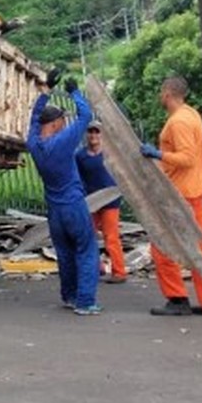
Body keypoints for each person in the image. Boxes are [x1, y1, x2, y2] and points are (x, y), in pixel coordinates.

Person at [140, 75, 202, 317]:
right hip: (194, 191)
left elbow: (187, 158)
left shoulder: (178, 122)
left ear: (167, 94)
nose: (160, 97)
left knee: (162, 245)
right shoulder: (191, 114)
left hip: (180, 195)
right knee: (201, 248)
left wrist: (157, 154)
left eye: (161, 93)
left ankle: (177, 299)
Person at [27, 72, 101, 315]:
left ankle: (69, 296)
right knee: (86, 249)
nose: (65, 123)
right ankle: (86, 302)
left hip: (54, 209)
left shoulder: (34, 145)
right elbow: (86, 116)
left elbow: (34, 119)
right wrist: (75, 92)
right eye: (62, 119)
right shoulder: (63, 141)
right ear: (57, 123)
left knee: (65, 253)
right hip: (73, 203)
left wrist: (47, 89)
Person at [75, 120, 127, 283]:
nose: (93, 135)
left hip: (110, 200)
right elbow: (77, 177)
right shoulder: (80, 156)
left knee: (111, 237)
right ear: (86, 134)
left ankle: (119, 273)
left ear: (102, 134)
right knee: (88, 236)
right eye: (90, 132)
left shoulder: (111, 154)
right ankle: (96, 269)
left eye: (97, 132)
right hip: (91, 201)